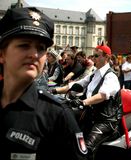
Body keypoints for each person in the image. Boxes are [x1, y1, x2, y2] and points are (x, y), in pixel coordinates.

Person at [0, 7, 87, 160]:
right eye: (24, 45)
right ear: (2, 54)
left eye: (41, 48)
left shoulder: (57, 116)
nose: (34, 54)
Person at [52, 43, 121, 160]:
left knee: (86, 150)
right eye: (93, 56)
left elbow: (102, 96)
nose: (93, 58)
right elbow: (75, 85)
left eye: (97, 56)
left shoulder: (111, 77)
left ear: (107, 58)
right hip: (90, 115)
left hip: (104, 121)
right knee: (63, 123)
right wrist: (52, 91)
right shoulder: (94, 74)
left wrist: (83, 102)